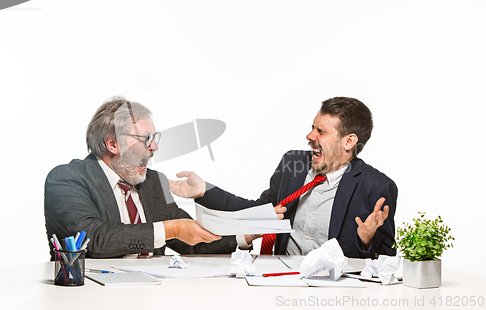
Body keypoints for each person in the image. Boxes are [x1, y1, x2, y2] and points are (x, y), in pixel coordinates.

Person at [170, 97, 397, 258]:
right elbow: (257, 211)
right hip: (279, 277)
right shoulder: (292, 165)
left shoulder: (376, 187)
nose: (310, 136)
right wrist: (204, 191)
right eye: (312, 128)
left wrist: (366, 239)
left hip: (334, 289)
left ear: (349, 142)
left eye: (321, 131)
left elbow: (386, 260)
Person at [44, 97, 240, 260]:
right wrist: (170, 229)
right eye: (147, 139)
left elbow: (193, 244)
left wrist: (247, 234)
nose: (154, 147)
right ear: (113, 144)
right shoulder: (67, 179)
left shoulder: (154, 182)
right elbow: (94, 240)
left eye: (155, 139)